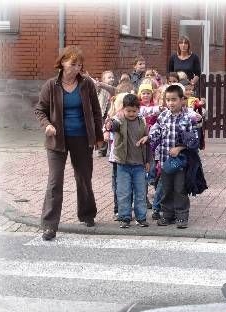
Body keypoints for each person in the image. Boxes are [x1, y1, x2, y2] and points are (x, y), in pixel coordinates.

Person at [34, 45, 104, 241]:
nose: (76, 68)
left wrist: (98, 137)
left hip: (82, 138)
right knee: (55, 181)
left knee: (84, 177)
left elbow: (96, 112)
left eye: (80, 65)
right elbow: (40, 110)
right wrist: (47, 125)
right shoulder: (51, 85)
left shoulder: (87, 84)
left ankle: (87, 213)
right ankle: (49, 225)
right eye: (73, 64)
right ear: (63, 63)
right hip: (57, 140)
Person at [144, 83, 199, 229]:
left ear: (182, 100)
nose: (171, 103)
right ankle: (167, 215)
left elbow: (194, 139)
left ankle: (181, 216)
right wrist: (148, 138)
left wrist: (180, 148)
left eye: (174, 99)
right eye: (168, 100)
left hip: (180, 162)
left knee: (179, 189)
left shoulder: (187, 118)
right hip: (164, 161)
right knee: (166, 188)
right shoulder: (163, 116)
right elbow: (156, 131)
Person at [105, 93, 151, 228]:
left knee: (141, 192)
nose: (131, 113)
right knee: (124, 192)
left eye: (134, 111)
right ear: (123, 109)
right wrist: (108, 125)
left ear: (138, 109)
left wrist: (148, 161)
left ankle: (141, 217)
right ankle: (124, 217)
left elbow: (147, 142)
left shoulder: (142, 122)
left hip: (139, 165)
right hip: (123, 164)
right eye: (128, 111)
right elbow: (112, 125)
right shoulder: (119, 120)